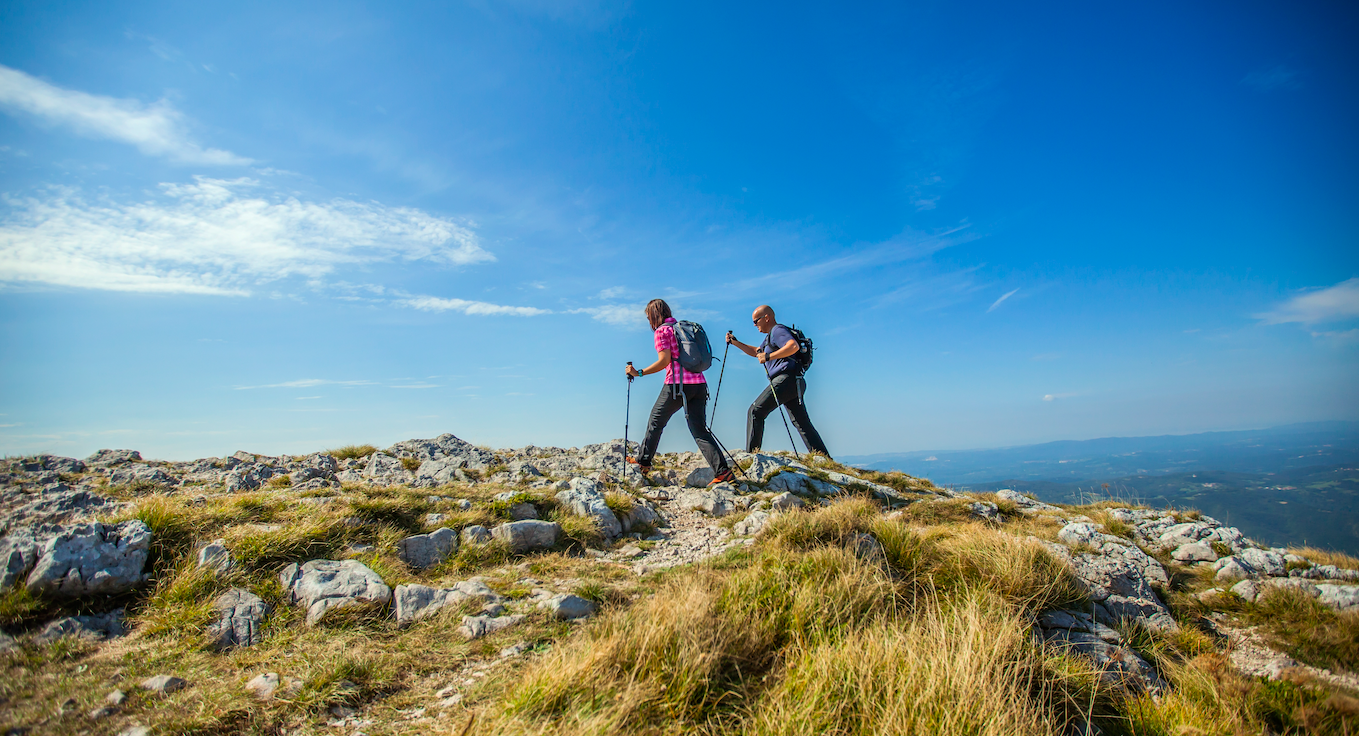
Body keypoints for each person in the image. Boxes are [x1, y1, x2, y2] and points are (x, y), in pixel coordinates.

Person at [625, 299, 736, 485]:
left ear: (653, 316)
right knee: (699, 429)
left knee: (655, 421)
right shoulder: (682, 328)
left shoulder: (662, 331)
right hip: (699, 385)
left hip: (676, 385)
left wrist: (639, 372)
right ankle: (723, 472)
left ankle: (643, 462)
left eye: (648, 317)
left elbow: (664, 361)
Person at [725, 305, 831, 458]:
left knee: (755, 411)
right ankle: (825, 459)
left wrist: (768, 357)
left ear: (766, 318)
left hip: (785, 380)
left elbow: (792, 346)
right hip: (795, 381)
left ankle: (752, 456)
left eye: (756, 321)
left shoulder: (777, 330)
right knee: (802, 423)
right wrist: (736, 342)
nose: (754, 325)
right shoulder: (770, 338)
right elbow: (757, 352)